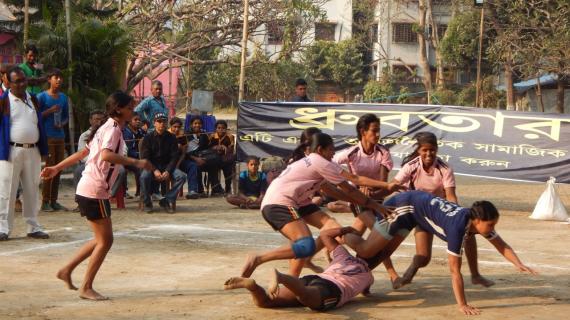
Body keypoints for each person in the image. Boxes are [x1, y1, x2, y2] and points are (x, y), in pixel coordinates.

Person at [344, 190, 537, 315]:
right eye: (491, 224)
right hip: (404, 205)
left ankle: (359, 277)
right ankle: (345, 231)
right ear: (477, 220)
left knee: (381, 253)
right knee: (368, 249)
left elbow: (501, 244)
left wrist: (518, 263)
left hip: (415, 212)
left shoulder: (473, 223)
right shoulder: (457, 229)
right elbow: (454, 271)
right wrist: (462, 304)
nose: (493, 228)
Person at [240, 133, 403, 278]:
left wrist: (358, 202)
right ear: (320, 149)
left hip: (298, 202)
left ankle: (293, 279)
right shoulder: (319, 161)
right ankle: (259, 258)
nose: (333, 153)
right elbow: (355, 181)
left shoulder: (315, 162)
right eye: (331, 149)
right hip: (279, 202)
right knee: (305, 244)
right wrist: (382, 193)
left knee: (332, 227)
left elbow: (333, 191)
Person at [40, 91, 152, 300]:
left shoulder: (106, 127)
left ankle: (67, 270)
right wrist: (137, 162)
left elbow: (84, 153)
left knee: (101, 239)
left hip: (89, 188)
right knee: (105, 241)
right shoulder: (113, 130)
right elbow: (106, 154)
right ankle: (86, 287)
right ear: (119, 109)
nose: (133, 111)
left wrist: (56, 167)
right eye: (130, 107)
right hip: (94, 189)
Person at [388, 132, 493, 288]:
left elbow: (450, 195)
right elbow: (393, 185)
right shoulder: (410, 166)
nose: (428, 153)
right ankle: (410, 271)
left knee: (469, 233)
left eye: (432, 150)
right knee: (423, 257)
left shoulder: (444, 169)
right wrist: (372, 198)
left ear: (436, 149)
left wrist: (456, 216)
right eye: (425, 150)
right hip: (419, 215)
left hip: (441, 213)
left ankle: (475, 275)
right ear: (419, 151)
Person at [224, 227, 373, 311]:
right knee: (308, 298)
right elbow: (366, 292)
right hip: (332, 289)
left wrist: (345, 229)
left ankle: (252, 286)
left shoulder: (344, 255)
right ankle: (280, 277)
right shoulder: (368, 275)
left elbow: (325, 234)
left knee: (266, 302)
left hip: (314, 279)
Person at [329, 113, 400, 285]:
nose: (377, 135)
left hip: (378, 200)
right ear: (363, 131)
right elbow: (330, 165)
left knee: (361, 237)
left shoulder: (383, 153)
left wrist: (371, 196)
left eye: (379, 131)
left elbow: (383, 185)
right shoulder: (351, 153)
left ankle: (337, 241)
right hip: (358, 201)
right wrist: (351, 190)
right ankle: (392, 274)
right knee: (379, 235)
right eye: (374, 131)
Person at [0, 66, 49, 241]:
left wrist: (43, 149)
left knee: (32, 189)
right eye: (17, 81)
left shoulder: (33, 99)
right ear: (8, 83)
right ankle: (3, 229)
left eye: (24, 80)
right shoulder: (3, 101)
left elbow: (39, 125)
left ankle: (33, 226)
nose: (22, 84)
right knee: (7, 190)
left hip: (32, 151)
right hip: (10, 151)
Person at [139, 112, 186, 213]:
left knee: (181, 176)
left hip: (167, 166)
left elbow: (174, 157)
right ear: (154, 123)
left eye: (164, 121)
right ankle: (147, 202)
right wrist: (155, 170)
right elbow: (145, 157)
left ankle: (167, 200)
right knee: (144, 177)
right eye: (159, 121)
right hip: (151, 166)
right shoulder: (148, 137)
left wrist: (168, 171)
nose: (161, 124)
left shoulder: (172, 137)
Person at [38, 68, 69, 212]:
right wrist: (50, 111)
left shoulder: (63, 97)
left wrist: (61, 124)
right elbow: (36, 116)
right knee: (49, 168)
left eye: (60, 77)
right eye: (55, 77)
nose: (58, 80)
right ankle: (45, 201)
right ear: (49, 79)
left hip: (60, 136)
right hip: (48, 137)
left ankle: (54, 201)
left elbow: (66, 117)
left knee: (59, 168)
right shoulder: (42, 97)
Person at [73, 110, 106, 189]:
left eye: (101, 119)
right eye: (96, 119)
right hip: (89, 163)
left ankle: (111, 194)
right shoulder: (84, 136)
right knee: (78, 171)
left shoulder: (109, 132)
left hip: (107, 162)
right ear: (90, 121)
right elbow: (82, 155)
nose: (99, 122)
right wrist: (95, 162)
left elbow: (123, 148)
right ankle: (79, 195)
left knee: (121, 171)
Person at [184, 116, 212, 197]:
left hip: (201, 156)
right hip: (189, 158)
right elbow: (185, 152)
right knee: (196, 166)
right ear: (191, 124)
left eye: (199, 123)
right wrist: (196, 159)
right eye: (195, 123)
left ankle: (216, 189)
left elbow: (206, 148)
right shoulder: (187, 135)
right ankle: (199, 190)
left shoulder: (204, 134)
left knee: (214, 163)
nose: (197, 125)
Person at [208, 120, 235, 194]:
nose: (221, 130)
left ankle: (228, 188)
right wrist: (215, 147)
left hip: (225, 158)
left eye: (223, 128)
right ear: (215, 129)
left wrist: (224, 148)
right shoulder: (212, 136)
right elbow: (208, 148)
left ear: (226, 129)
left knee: (228, 168)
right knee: (212, 167)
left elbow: (231, 150)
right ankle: (215, 188)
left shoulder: (230, 137)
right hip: (214, 158)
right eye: (218, 128)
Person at [122, 112, 145, 198]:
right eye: (135, 120)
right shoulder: (126, 132)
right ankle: (127, 192)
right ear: (129, 121)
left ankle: (143, 191)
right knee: (139, 169)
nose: (138, 121)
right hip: (127, 158)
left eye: (139, 120)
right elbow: (128, 151)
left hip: (139, 156)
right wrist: (139, 155)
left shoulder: (140, 131)